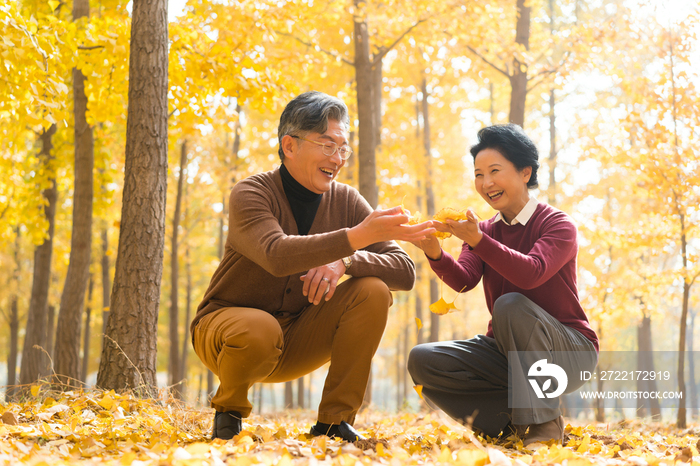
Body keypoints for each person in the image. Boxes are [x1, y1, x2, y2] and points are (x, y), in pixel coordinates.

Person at [191, 91, 435, 441]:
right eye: (327, 145)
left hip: (298, 337)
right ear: (289, 146)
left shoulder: (347, 200)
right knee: (260, 329)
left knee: (373, 289)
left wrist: (348, 259)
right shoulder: (251, 193)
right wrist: (354, 237)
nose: (337, 158)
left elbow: (404, 270)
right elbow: (275, 254)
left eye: (342, 148)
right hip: (228, 334)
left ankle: (334, 424)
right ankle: (228, 414)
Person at [407, 124, 598, 446]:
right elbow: (464, 280)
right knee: (423, 359)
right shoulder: (481, 230)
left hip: (568, 350)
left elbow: (532, 274)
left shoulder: (557, 224)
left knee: (510, 304)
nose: (486, 183)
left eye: (495, 171)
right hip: (505, 351)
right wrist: (434, 252)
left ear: (525, 172)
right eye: (479, 174)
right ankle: (509, 427)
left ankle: (546, 427)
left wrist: (479, 240)